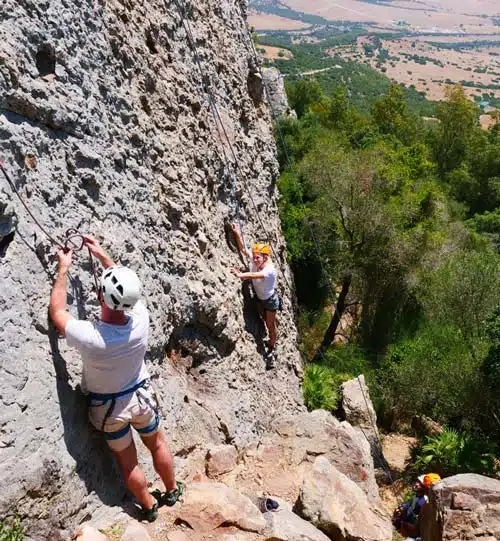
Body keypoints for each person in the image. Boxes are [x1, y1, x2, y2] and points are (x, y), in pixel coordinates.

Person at [49, 235, 183, 522]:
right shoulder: (141, 318)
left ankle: (148, 507)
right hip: (141, 399)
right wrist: (103, 256)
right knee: (158, 444)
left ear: (100, 298)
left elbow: (58, 313)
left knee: (128, 462)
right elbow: (128, 292)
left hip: (110, 410)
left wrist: (63, 268)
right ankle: (171, 490)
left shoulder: (92, 337)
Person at [231, 223, 279, 367]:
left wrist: (240, 275)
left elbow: (254, 274)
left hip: (270, 300)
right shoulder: (256, 259)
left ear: (265, 257)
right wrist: (237, 234)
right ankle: (270, 337)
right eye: (255, 257)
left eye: (258, 258)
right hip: (260, 298)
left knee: (270, 324)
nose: (255, 260)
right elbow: (243, 249)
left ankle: (272, 344)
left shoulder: (269, 270)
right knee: (263, 318)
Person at [393, 473, 441, 538]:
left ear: (425, 487)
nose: (417, 484)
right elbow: (410, 505)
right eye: (417, 482)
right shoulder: (417, 496)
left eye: (420, 484)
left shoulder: (423, 500)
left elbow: (414, 515)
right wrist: (402, 507)